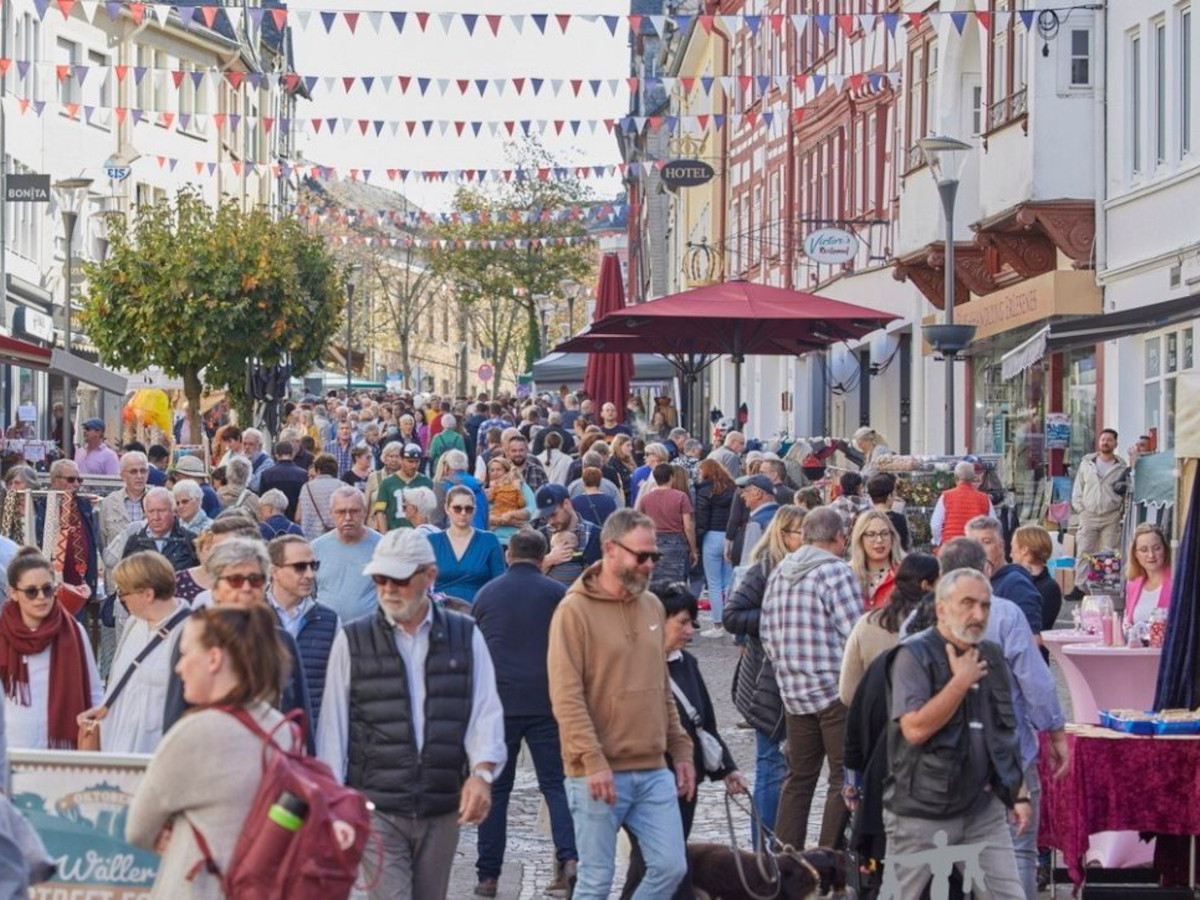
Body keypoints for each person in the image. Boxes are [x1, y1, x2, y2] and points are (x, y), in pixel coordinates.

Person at [317, 528, 506, 900]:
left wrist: (482, 774)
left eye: (399, 579)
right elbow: (333, 726)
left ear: (429, 576)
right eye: (380, 578)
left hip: (441, 802)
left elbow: (485, 709)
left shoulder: (465, 635)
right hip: (377, 805)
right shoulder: (353, 639)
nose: (388, 588)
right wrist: (334, 801)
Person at [547, 509, 695, 899]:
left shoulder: (651, 606)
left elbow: (660, 684)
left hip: (652, 767)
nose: (649, 565)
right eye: (641, 556)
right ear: (610, 549)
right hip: (596, 772)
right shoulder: (573, 611)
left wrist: (681, 748)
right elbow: (566, 695)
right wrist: (592, 760)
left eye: (654, 557)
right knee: (595, 879)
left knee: (671, 866)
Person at [931, 538, 1069, 898]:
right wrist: (1055, 731)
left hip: (946, 753)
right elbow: (1035, 682)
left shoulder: (924, 614)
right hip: (1007, 749)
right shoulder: (1005, 613)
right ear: (987, 568)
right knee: (1017, 849)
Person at [882, 568, 1030, 900]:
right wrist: (960, 683)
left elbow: (1002, 731)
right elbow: (915, 729)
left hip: (982, 808)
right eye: (967, 603)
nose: (978, 614)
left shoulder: (991, 654)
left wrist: (1017, 791)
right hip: (920, 810)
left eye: (985, 605)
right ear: (942, 608)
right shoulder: (913, 655)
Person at [127, 604, 290, 897]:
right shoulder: (284, 730)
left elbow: (138, 829)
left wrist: (175, 830)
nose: (178, 667)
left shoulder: (195, 732)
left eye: (186, 653)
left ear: (214, 659)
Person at [619, 581, 747, 900]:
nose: (691, 630)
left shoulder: (687, 664)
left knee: (653, 863)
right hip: (646, 781)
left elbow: (705, 722)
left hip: (685, 782)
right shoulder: (629, 664)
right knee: (667, 862)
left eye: (692, 622)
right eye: (683, 622)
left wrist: (726, 769)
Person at [472, 530, 578, 897]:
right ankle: (569, 858)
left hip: (500, 701)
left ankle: (488, 876)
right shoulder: (557, 594)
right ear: (542, 556)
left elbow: (478, 649)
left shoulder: (488, 594)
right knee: (556, 784)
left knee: (496, 790)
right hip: (546, 700)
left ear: (508, 556)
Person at [760, 506, 861, 848]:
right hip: (834, 690)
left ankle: (785, 858)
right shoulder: (835, 572)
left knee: (799, 778)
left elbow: (767, 634)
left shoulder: (779, 572)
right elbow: (855, 634)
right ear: (839, 537)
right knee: (842, 776)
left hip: (793, 690)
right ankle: (828, 857)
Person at [161, 538, 312, 747]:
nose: (246, 587)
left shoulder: (280, 640)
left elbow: (299, 717)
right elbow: (175, 715)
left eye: (255, 580)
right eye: (235, 580)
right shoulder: (195, 636)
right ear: (215, 587)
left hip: (272, 762)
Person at [723, 506, 805, 848]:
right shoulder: (765, 570)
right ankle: (763, 851)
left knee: (791, 770)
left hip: (795, 681)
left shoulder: (808, 569)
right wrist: (776, 615)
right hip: (765, 685)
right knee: (771, 766)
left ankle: (781, 846)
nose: (807, 539)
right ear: (784, 534)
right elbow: (733, 616)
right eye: (802, 532)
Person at [81, 551, 188, 753]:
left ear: (147, 594)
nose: (121, 600)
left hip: (155, 753)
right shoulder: (134, 623)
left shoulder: (189, 632)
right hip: (118, 749)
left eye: (123, 594)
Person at [1, 549, 102, 749]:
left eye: (47, 589)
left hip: (62, 755)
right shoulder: (3, 634)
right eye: (31, 591)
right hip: (11, 751)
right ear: (13, 593)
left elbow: (94, 693)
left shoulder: (74, 632)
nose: (41, 597)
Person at [839, 552, 940, 707]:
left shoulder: (867, 624)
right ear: (926, 585)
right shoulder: (940, 627)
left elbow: (847, 692)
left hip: (878, 723)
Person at [267, 534, 339, 730]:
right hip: (262, 737)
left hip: (312, 735)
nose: (309, 574)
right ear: (274, 571)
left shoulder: (329, 620)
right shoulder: (252, 617)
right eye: (299, 567)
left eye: (313, 566)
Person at [1069, 428, 1130, 600]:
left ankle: (1105, 589)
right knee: (1083, 550)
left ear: (1115, 444)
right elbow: (1078, 487)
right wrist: (1080, 508)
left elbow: (1124, 492)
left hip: (1111, 516)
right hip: (1088, 514)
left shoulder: (1121, 468)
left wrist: (1119, 510)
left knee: (1109, 554)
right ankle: (1080, 587)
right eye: (1103, 439)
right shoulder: (1087, 464)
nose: (1105, 442)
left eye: (1109, 440)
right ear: (1099, 442)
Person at [312, 487, 383, 626]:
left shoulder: (383, 546)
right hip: (326, 631)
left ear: (364, 512)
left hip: (369, 632)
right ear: (331, 513)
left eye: (354, 511)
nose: (348, 517)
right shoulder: (316, 548)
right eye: (341, 512)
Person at [966, 515, 1044, 639]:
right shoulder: (973, 582)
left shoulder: (1016, 583)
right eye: (973, 543)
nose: (979, 549)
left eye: (986, 542)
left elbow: (1032, 638)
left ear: (1001, 546)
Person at [429, 486, 505, 605]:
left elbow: (499, 584)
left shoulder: (489, 540)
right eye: (457, 508)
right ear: (447, 509)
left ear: (474, 510)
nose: (463, 513)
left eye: (468, 509)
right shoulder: (432, 541)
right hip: (441, 614)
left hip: (478, 611)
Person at [44, 459, 100, 599]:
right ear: (54, 481)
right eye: (70, 479)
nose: (76, 484)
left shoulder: (83, 505)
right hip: (48, 587)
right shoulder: (43, 505)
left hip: (79, 587)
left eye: (79, 480)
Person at [113, 487, 200, 574]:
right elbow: (124, 579)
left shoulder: (190, 540)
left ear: (174, 511)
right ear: (145, 514)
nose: (156, 517)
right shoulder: (134, 542)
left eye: (161, 511)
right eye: (151, 511)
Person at [636, 464, 697, 584]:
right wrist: (693, 549)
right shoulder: (681, 497)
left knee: (656, 582)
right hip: (676, 544)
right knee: (677, 584)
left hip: (654, 544)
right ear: (671, 477)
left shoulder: (646, 498)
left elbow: (640, 523)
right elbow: (688, 527)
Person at [694, 459, 735, 633]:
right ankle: (731, 622)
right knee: (728, 582)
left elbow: (701, 517)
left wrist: (697, 540)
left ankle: (718, 624)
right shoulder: (732, 488)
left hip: (711, 535)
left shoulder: (704, 490)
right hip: (729, 536)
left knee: (714, 583)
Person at [99, 451, 150, 567]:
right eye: (133, 471)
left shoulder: (158, 499)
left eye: (143, 471)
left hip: (149, 573)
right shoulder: (109, 503)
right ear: (122, 475)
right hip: (117, 574)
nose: (139, 476)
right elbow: (101, 541)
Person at [1011, 525, 1065, 635]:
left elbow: (1033, 629)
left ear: (1024, 550)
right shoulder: (1014, 580)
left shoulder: (1048, 588)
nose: (1010, 553)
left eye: (1013, 547)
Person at [849, 511, 905, 610]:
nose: (879, 540)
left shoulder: (905, 574)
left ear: (892, 536)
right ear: (860, 539)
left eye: (884, 533)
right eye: (871, 534)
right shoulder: (848, 575)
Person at [931, 461, 995, 548]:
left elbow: (935, 525)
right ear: (973, 477)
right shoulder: (985, 498)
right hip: (976, 548)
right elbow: (993, 525)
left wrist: (940, 541)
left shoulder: (945, 496)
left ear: (956, 477)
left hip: (951, 548)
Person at [1123, 522, 1172, 628]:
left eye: (1157, 548)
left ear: (1165, 550)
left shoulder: (1177, 582)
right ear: (1135, 555)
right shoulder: (1132, 584)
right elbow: (1127, 623)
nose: (1151, 555)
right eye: (1144, 550)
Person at [376, 443, 435, 532]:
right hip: (395, 533)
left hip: (419, 534)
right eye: (410, 461)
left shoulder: (427, 482)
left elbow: (431, 513)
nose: (414, 465)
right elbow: (380, 512)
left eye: (417, 461)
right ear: (401, 460)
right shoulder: (387, 483)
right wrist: (384, 536)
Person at [735, 473, 780, 567]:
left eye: (746, 491)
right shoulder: (782, 515)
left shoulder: (757, 523)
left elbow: (748, 563)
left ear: (758, 494)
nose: (742, 495)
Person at [255, 440, 308, 521]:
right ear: (292, 453)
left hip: (272, 519)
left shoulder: (266, 474)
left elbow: (262, 500)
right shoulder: (303, 475)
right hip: (295, 520)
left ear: (276, 455)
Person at [484, 457, 530, 545]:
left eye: (498, 470)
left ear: (507, 471)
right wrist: (504, 520)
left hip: (516, 539)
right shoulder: (485, 491)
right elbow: (481, 516)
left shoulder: (521, 487)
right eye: (492, 470)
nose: (495, 473)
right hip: (493, 539)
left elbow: (530, 510)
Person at [297, 452, 342, 541]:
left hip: (311, 539)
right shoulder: (343, 487)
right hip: (335, 538)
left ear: (318, 470)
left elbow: (298, 517)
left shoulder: (306, 487)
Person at [867, 473, 911, 552]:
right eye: (894, 493)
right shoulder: (899, 519)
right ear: (889, 496)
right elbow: (905, 545)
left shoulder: (864, 518)